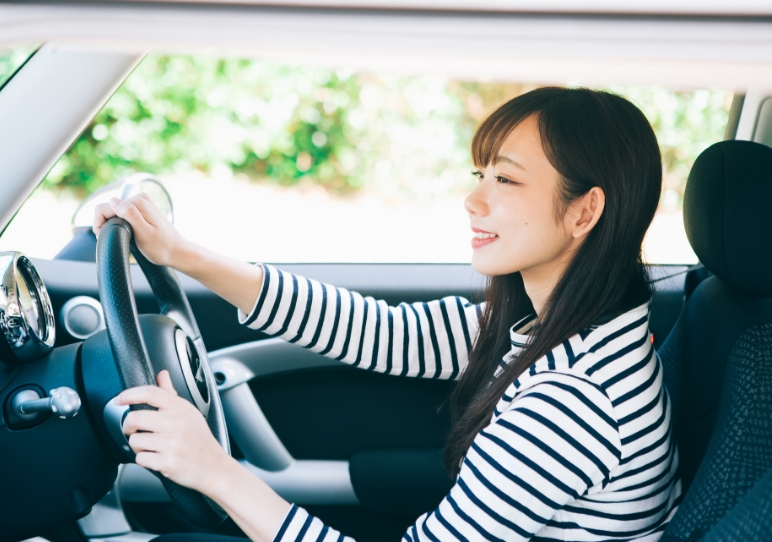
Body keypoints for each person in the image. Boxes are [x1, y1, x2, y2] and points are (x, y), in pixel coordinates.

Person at [94, 87, 681, 542]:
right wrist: (180, 254)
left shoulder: (575, 399)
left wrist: (214, 470)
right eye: (481, 174)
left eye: (505, 179)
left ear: (585, 212)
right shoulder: (560, 327)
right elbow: (379, 331)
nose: (473, 199)